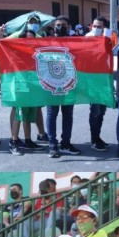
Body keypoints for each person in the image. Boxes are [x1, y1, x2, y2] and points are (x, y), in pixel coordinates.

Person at [46, 15, 81, 158]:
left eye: (63, 25)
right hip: (51, 84)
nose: (60, 27)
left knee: (68, 114)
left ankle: (66, 143)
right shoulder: (46, 42)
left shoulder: (75, 42)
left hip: (69, 84)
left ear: (69, 27)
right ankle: (52, 145)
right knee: (51, 114)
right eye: (58, 25)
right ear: (54, 27)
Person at [85, 16, 112, 152]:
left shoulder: (108, 39)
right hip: (92, 81)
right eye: (94, 26)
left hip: (104, 81)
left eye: (99, 27)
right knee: (95, 111)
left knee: (102, 111)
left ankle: (98, 137)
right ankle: (94, 140)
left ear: (104, 28)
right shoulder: (87, 38)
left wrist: (107, 41)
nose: (95, 29)